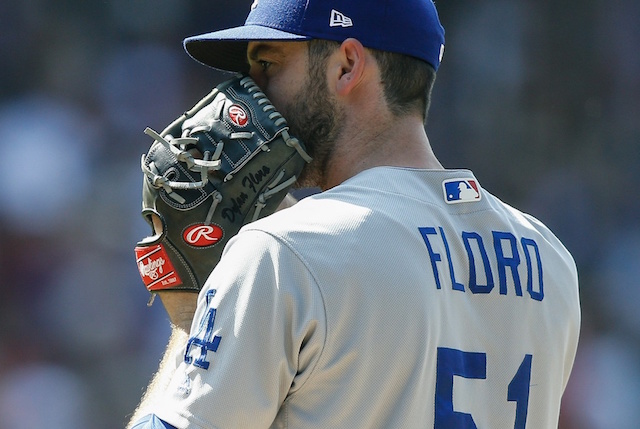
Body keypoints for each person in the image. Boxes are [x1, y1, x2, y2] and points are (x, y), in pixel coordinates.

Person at [128, 0, 581, 427]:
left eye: (268, 65)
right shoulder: (551, 260)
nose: (248, 93)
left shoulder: (286, 250)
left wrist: (192, 311)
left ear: (347, 66)